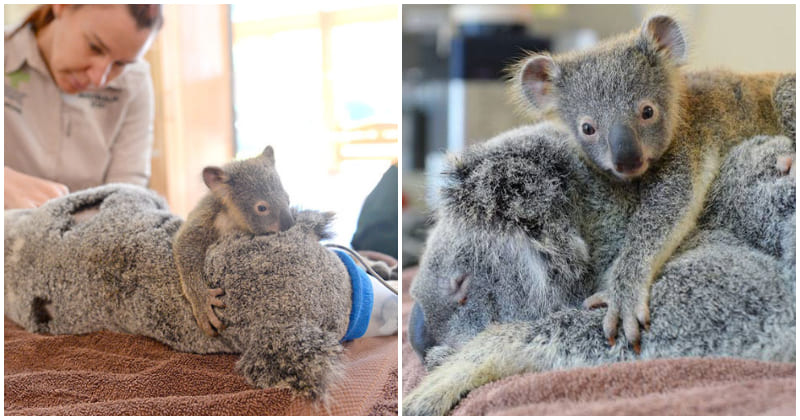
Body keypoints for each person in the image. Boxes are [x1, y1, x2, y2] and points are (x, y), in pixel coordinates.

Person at [4, 4, 163, 209]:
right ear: (62, 6)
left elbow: (126, 196)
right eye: (95, 47)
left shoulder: (135, 83)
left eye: (120, 64)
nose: (99, 79)